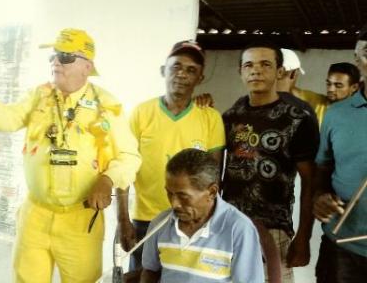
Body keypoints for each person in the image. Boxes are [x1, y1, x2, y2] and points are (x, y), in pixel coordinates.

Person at [0, 28, 141, 283]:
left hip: (79, 220)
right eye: (52, 56)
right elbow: (9, 119)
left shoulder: (107, 105)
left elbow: (130, 156)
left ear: (87, 66)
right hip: (35, 215)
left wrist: (107, 180)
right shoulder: (39, 95)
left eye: (64, 56)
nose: (55, 62)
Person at [117, 40, 225, 273]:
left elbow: (214, 176)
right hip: (145, 220)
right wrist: (123, 220)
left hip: (191, 219)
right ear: (163, 70)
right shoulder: (141, 113)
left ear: (200, 79)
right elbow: (123, 168)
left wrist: (208, 221)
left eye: (191, 70)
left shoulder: (210, 117)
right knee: (141, 276)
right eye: (176, 67)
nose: (182, 74)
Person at [222, 40, 320, 283]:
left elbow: (310, 182)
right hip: (230, 226)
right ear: (241, 72)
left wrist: (303, 237)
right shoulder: (231, 116)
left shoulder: (297, 119)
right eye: (249, 65)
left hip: (274, 231)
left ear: (280, 72)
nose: (256, 70)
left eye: (265, 64)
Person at [140, 148, 264, 283]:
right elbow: (150, 271)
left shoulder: (239, 229)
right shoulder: (159, 224)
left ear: (211, 192)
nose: (174, 204)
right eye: (170, 193)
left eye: (183, 196)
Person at [313, 25, 367, 282]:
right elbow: (323, 168)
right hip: (342, 247)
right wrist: (320, 195)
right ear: (358, 60)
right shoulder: (336, 113)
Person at [276, 49, 360, 124]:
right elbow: (290, 90)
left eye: (338, 85)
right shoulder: (318, 102)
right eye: (328, 83)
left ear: (354, 87)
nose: (330, 89)